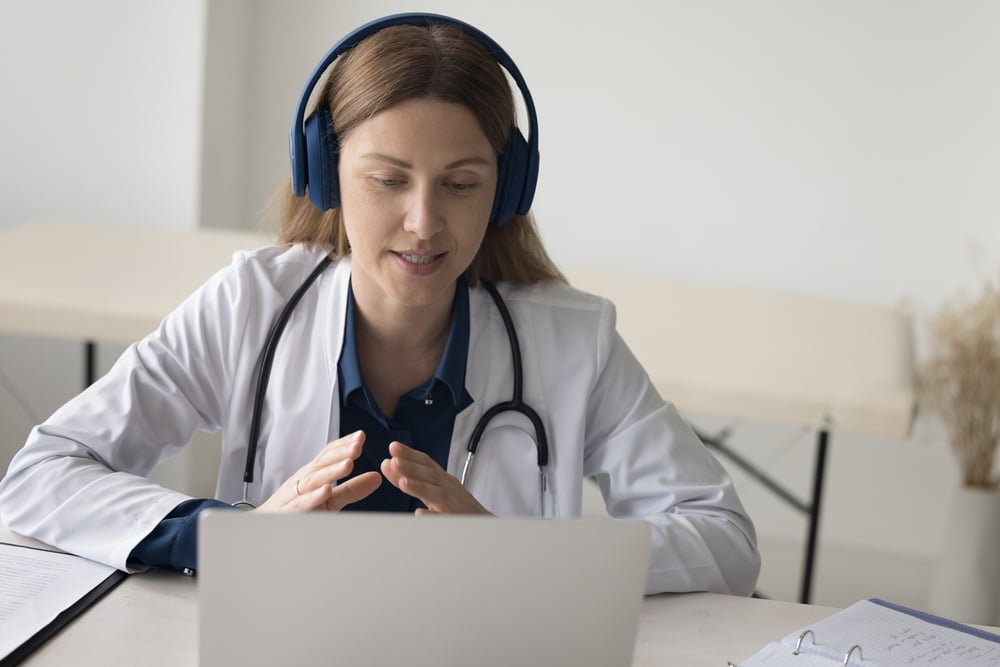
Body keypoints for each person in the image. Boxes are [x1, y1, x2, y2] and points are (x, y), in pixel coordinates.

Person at [0, 13, 759, 595]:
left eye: (461, 183)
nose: (425, 222)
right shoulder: (249, 307)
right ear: (326, 177)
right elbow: (39, 476)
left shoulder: (575, 345)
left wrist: (521, 554)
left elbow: (724, 539)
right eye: (388, 179)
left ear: (508, 189)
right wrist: (232, 537)